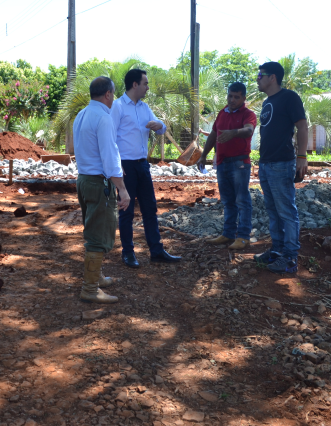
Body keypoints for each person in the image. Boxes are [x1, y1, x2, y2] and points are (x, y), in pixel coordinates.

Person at [110, 68, 181, 268]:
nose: (147, 87)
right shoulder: (117, 107)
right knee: (127, 210)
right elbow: (110, 138)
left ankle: (156, 251)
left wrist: (159, 125)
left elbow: (161, 128)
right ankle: (128, 252)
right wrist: (116, 166)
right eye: (145, 83)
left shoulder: (144, 107)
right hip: (126, 166)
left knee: (150, 208)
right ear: (135, 85)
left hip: (143, 165)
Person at [73, 76, 131, 303]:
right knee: (98, 237)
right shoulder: (104, 118)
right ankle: (90, 289)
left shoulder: (82, 114)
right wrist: (122, 189)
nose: (113, 98)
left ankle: (96, 278)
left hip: (84, 180)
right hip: (98, 184)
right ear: (108, 94)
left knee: (93, 230)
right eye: (113, 94)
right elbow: (109, 158)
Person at [255, 61, 308, 274]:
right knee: (272, 210)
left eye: (261, 75)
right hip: (266, 163)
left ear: (272, 77)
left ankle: (290, 257)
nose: (257, 79)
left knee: (286, 211)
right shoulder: (268, 102)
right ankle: (277, 251)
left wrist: (302, 156)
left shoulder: (289, 97)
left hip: (281, 163)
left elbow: (302, 126)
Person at [196, 82, 257, 250]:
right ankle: (228, 234)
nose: (232, 100)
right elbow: (214, 134)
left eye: (237, 97)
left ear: (243, 98)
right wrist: (203, 155)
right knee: (228, 201)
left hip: (240, 163)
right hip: (222, 163)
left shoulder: (248, 114)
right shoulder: (222, 113)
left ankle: (243, 237)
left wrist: (233, 133)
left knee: (242, 200)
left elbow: (249, 130)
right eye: (230, 96)